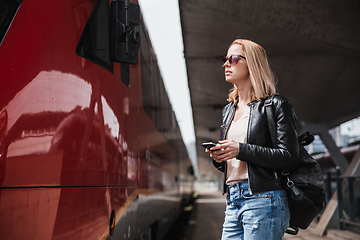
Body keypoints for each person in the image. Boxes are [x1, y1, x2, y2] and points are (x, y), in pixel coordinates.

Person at [205, 39, 299, 240]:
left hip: (264, 199)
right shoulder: (229, 110)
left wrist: (240, 149)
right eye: (225, 59)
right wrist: (219, 157)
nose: (226, 64)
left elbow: (289, 157)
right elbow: (235, 164)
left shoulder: (276, 106)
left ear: (253, 63)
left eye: (234, 58)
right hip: (233, 199)